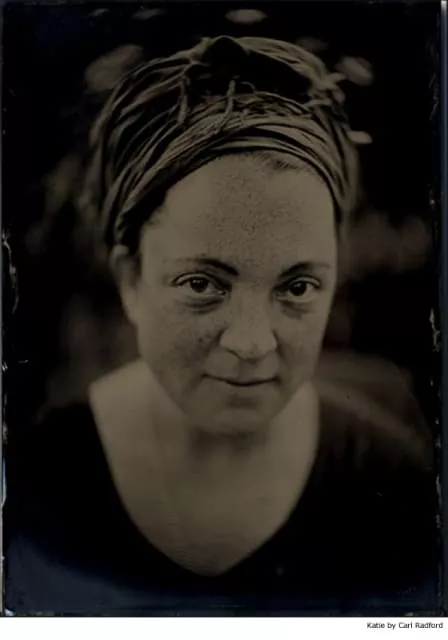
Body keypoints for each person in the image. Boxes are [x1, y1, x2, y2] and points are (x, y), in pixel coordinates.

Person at [5, 35, 439, 616]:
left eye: (297, 287)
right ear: (131, 279)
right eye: (202, 284)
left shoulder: (396, 488)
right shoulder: (37, 485)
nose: (252, 343)